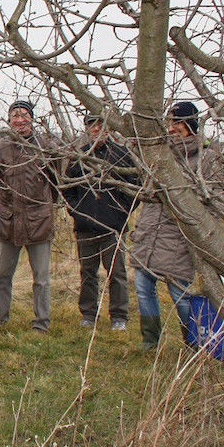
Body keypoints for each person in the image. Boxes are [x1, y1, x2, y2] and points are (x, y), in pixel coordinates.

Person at [129, 101, 224, 350]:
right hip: (150, 229)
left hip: (180, 235)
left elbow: (212, 199)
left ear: (190, 124)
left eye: (176, 122)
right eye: (169, 122)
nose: (171, 128)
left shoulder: (207, 158)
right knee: (142, 286)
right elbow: (146, 191)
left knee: (180, 294)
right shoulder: (159, 155)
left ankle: (192, 341)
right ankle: (150, 340)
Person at [0, 100, 61, 333]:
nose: (19, 120)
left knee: (41, 278)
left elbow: (55, 184)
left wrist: (43, 207)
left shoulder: (46, 146)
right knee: (2, 275)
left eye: (24, 115)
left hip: (39, 221)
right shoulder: (0, 148)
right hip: (8, 220)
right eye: (14, 116)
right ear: (9, 120)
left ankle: (41, 322)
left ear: (32, 118)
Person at [62, 113, 136, 331]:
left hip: (113, 227)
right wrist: (78, 212)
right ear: (86, 129)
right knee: (87, 273)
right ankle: (88, 314)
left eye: (100, 125)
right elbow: (67, 188)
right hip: (86, 227)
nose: (96, 130)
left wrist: (120, 213)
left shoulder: (122, 155)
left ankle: (119, 316)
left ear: (109, 128)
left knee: (117, 273)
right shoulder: (79, 156)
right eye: (91, 126)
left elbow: (134, 188)